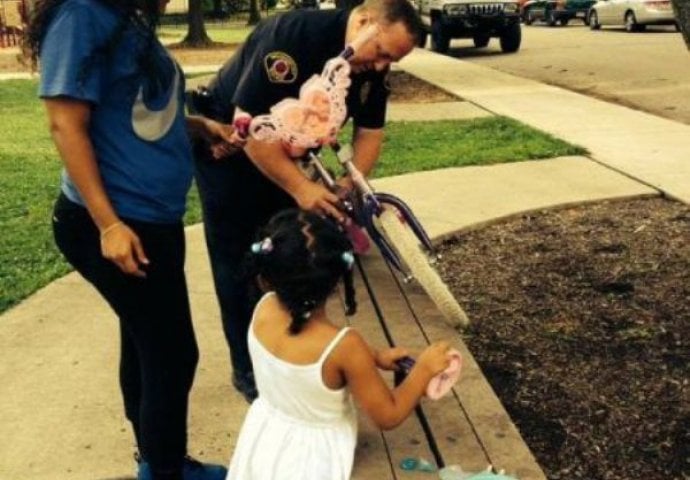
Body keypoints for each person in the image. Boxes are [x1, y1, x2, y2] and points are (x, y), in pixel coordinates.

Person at [24, 0, 235, 478]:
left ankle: (156, 459)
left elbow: (136, 115)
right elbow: (65, 124)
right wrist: (109, 225)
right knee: (173, 352)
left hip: (154, 221)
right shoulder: (81, 15)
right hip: (119, 223)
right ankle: (164, 470)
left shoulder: (125, 19)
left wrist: (198, 127)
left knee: (145, 343)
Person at [192, 0, 423, 402]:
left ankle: (295, 358)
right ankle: (249, 371)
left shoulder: (369, 69)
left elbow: (370, 134)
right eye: (384, 53)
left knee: (294, 260)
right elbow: (250, 130)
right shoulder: (294, 36)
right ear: (365, 22)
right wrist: (301, 188)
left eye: (394, 61)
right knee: (242, 262)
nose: (384, 66)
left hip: (290, 152)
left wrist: (348, 186)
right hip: (230, 147)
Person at [227, 209, 452, 479]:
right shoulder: (345, 346)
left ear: (267, 278)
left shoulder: (264, 309)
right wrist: (423, 371)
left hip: (266, 433)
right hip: (313, 457)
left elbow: (317, 359)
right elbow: (387, 415)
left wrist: (376, 356)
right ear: (335, 283)